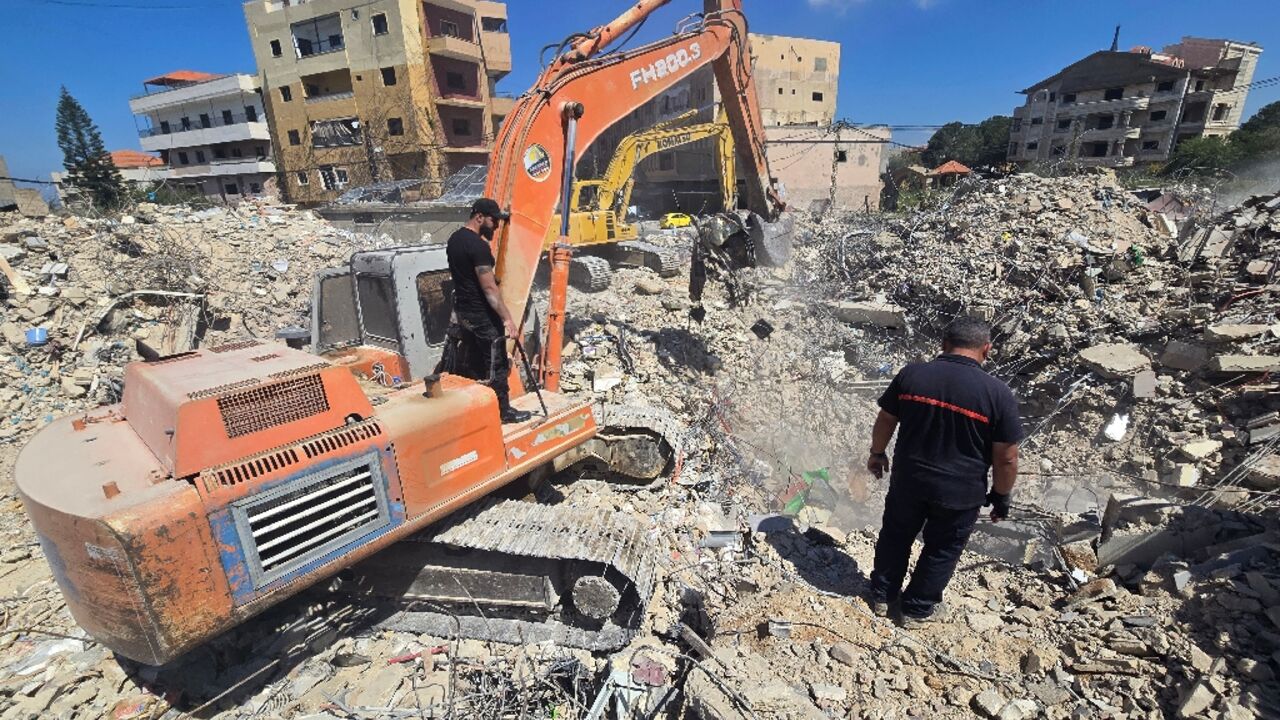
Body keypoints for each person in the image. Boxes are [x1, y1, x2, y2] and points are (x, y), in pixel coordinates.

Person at [865, 316, 1023, 626]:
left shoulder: (913, 376)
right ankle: (916, 609)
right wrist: (1001, 495)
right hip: (960, 493)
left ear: (944, 344)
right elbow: (1007, 457)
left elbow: (886, 420)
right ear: (986, 350)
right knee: (942, 548)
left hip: (909, 481)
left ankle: (882, 596)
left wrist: (877, 453)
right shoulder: (998, 395)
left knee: (895, 536)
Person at [444, 198, 532, 424]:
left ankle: (478, 408)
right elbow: (489, 289)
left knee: (474, 360)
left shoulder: (454, 240)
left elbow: (466, 277)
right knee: (496, 363)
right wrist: (508, 320)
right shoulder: (478, 246)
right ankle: (503, 413)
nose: (496, 226)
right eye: (494, 221)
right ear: (479, 217)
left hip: (464, 313)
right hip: (481, 315)